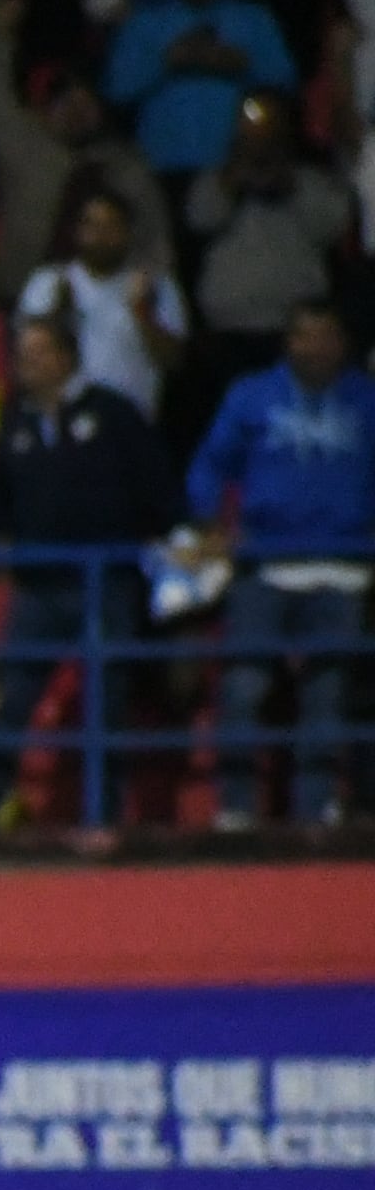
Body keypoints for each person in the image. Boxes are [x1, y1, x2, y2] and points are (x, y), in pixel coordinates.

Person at [0, 312, 177, 828]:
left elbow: (158, 487)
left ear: (65, 357)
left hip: (105, 585)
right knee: (12, 704)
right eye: (20, 354)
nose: (24, 365)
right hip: (38, 589)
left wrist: (183, 531)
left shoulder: (114, 414)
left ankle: (103, 818)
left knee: (106, 707)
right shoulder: (15, 422)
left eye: (36, 353)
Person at [187, 297, 375, 826]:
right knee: (243, 688)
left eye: (326, 335)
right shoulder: (252, 395)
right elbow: (209, 465)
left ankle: (315, 809)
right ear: (287, 341)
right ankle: (236, 809)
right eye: (304, 335)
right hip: (263, 566)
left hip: (343, 569)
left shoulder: (368, 401)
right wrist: (209, 525)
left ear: (342, 343)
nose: (315, 347)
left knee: (327, 696)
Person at [0, 0, 173, 311]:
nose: (75, 109)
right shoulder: (23, 146)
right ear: (42, 111)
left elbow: (155, 242)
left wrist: (153, 300)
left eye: (85, 100)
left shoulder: (127, 165)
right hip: (25, 298)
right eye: (63, 101)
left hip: (108, 305)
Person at [184, 98, 358, 424]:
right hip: (228, 332)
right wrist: (234, 181)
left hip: (294, 334)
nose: (259, 142)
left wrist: (289, 185)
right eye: (250, 133)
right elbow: (199, 218)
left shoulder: (309, 180)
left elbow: (335, 224)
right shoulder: (215, 180)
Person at [12, 182, 190, 422]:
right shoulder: (49, 281)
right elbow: (28, 357)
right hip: (62, 424)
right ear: (77, 230)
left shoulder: (156, 285)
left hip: (130, 425)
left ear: (128, 231)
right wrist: (60, 311)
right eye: (92, 225)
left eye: (111, 225)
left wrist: (141, 311)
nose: (101, 234)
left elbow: (174, 361)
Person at [104, 0, 293, 185]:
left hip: (236, 167)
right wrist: (164, 62)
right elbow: (117, 89)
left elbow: (284, 81)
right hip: (160, 168)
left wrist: (243, 65)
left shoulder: (252, 17)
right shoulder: (144, 20)